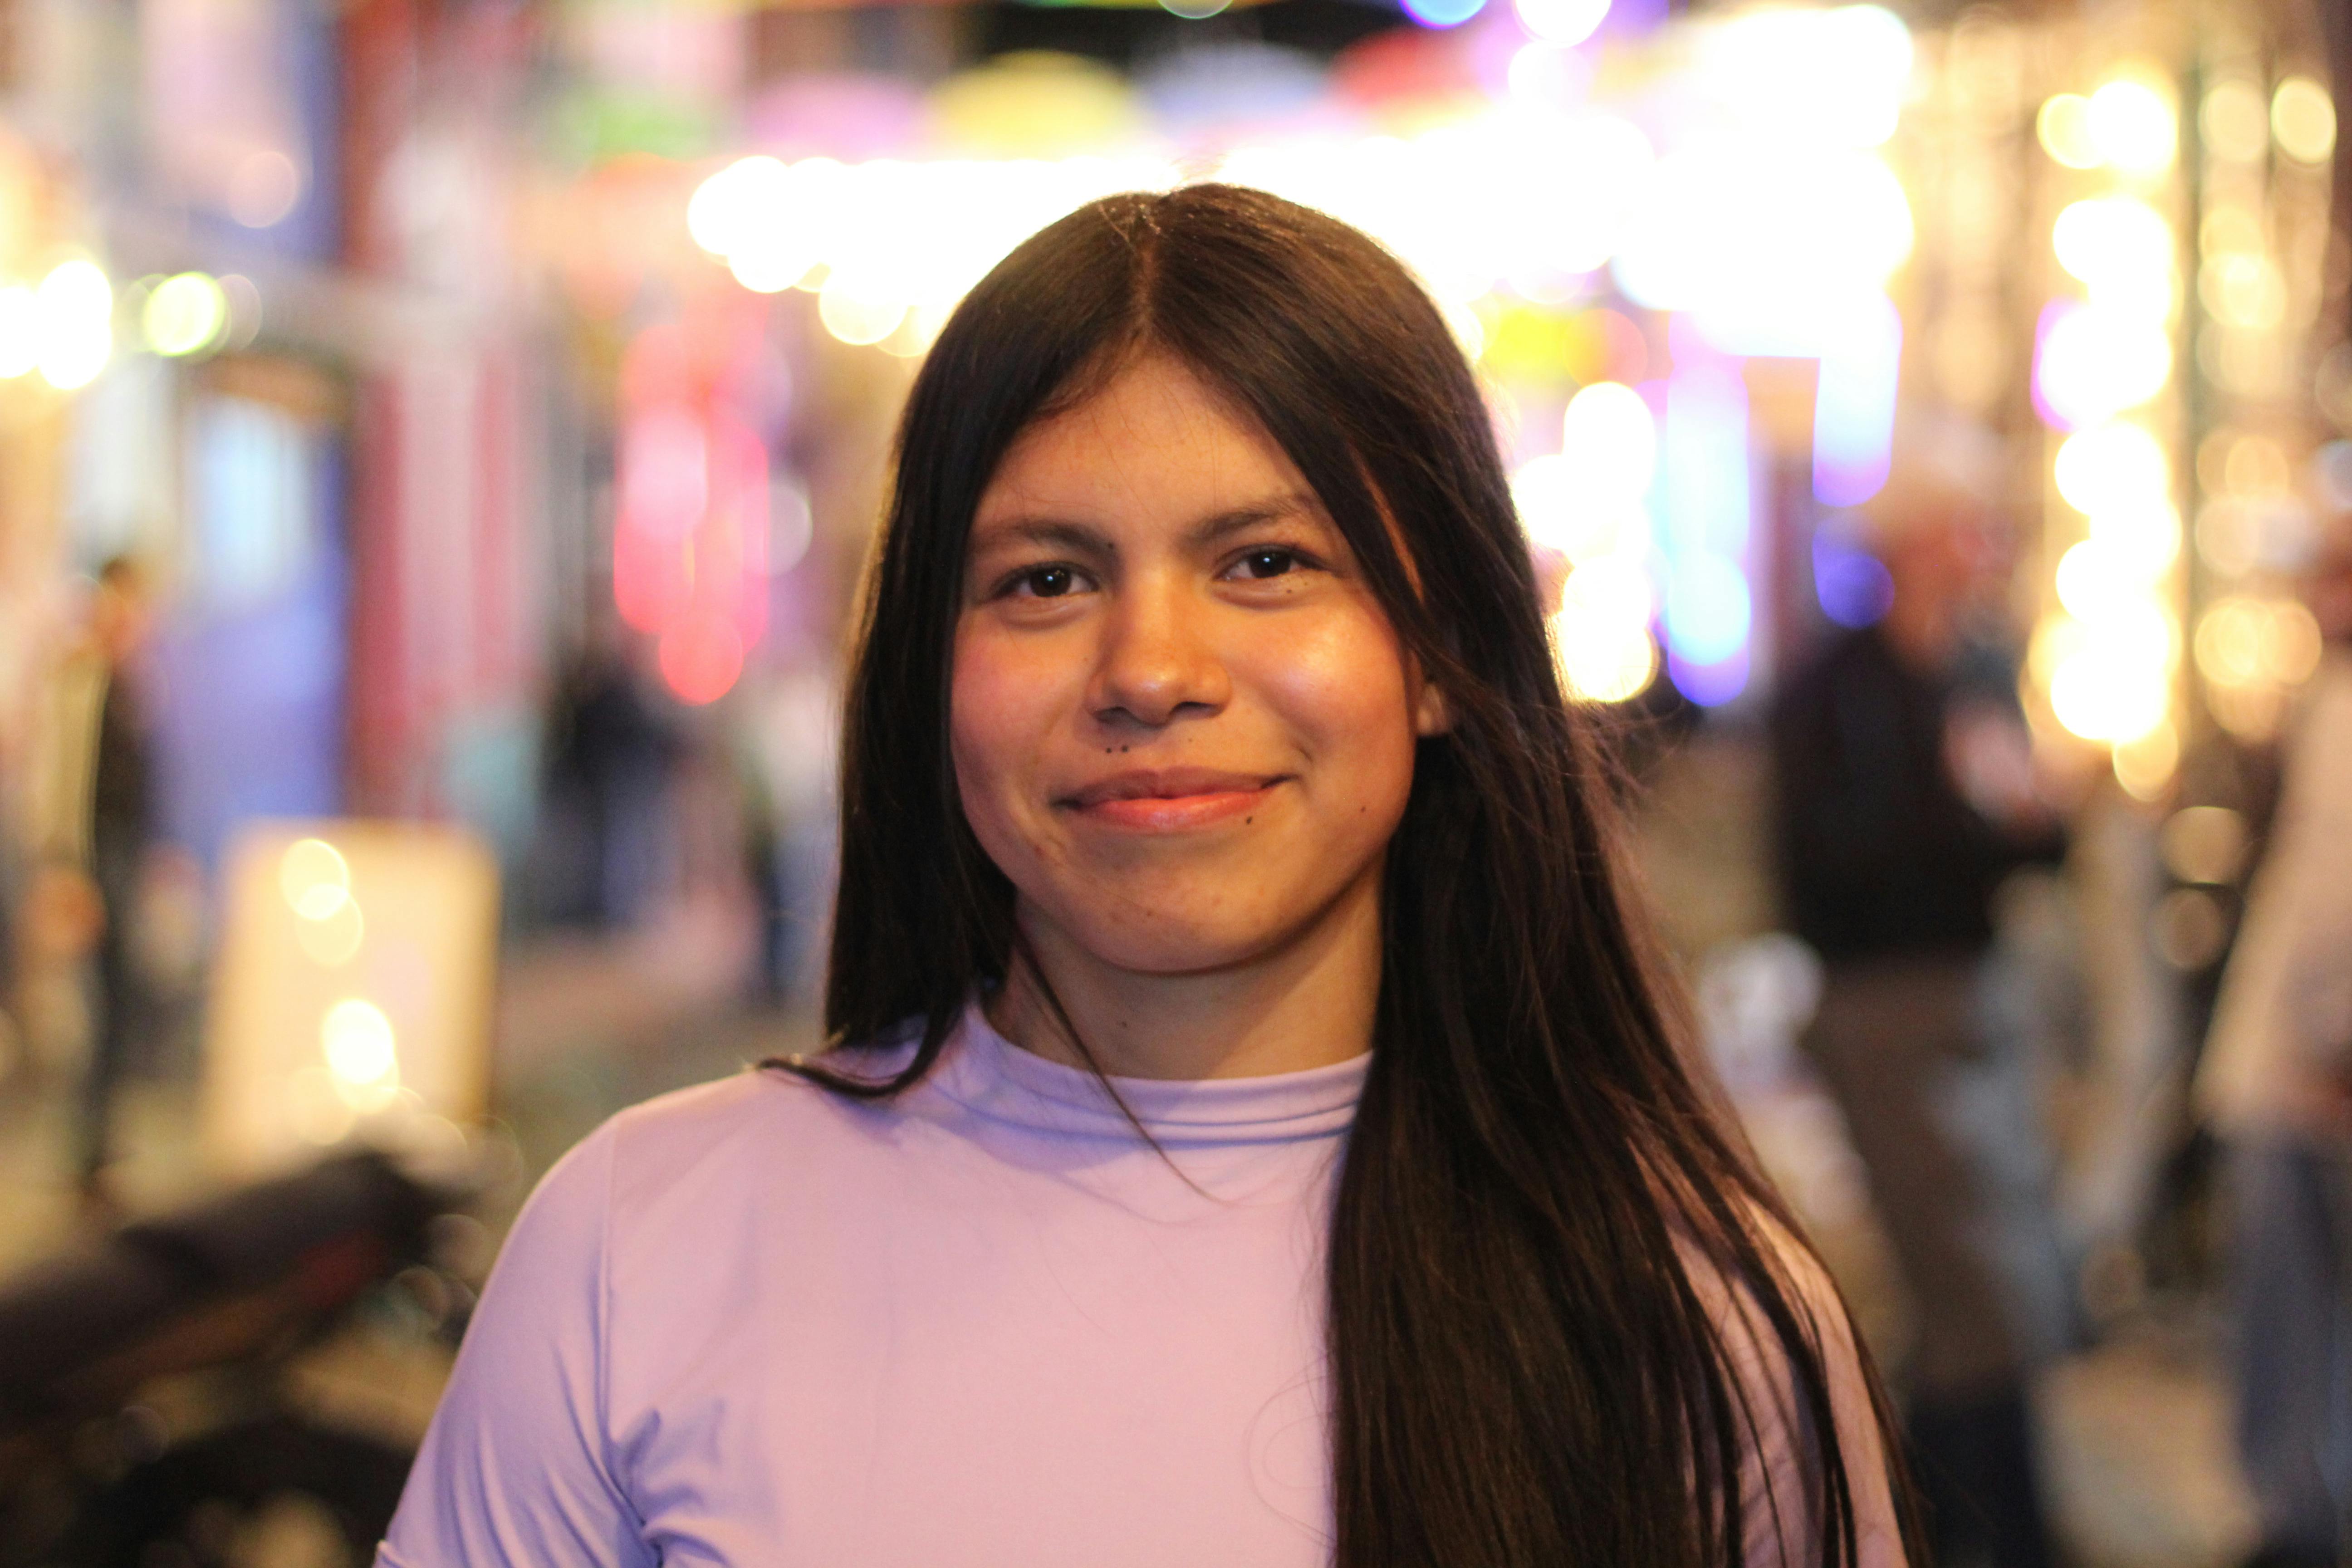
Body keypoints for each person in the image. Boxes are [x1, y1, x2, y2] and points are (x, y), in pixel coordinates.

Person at [379, 186, 1913, 1568]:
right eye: (1046, 579)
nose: (1151, 670)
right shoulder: (640, 1244)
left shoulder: (1688, 1320)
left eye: (1265, 563)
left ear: (1438, 650)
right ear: (931, 667)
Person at [1769, 428, 2067, 1568]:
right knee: (1966, 1281)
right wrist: (1978, 831)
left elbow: (2030, 839)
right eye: (1961, 531)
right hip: (1884, 1005)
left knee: (1995, 1276)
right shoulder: (1832, 690)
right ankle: (1992, 1523)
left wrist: (2030, 823)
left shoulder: (1981, 671)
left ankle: (1954, 1519)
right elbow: (1831, 863)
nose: (1979, 554)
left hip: (1978, 991)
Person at [2198, 542, 2352, 1568]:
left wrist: (2335, 1039)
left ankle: (2298, 1519)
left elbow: (2333, 909)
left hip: (2314, 1077)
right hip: (2302, 1069)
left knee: (2297, 1322)